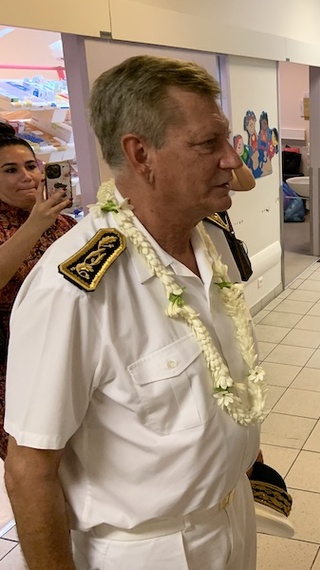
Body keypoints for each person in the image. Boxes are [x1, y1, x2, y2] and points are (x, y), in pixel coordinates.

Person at [4, 55, 266, 569]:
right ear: (140, 153)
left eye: (227, 140)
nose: (233, 161)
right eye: (207, 143)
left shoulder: (207, 240)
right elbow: (29, 470)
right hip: (154, 548)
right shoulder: (75, 290)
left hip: (234, 515)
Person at [0, 126, 76, 459]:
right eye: (10, 170)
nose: (27, 177)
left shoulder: (63, 223)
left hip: (67, 352)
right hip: (15, 365)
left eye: (31, 166)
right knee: (33, 459)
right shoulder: (41, 221)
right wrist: (35, 223)